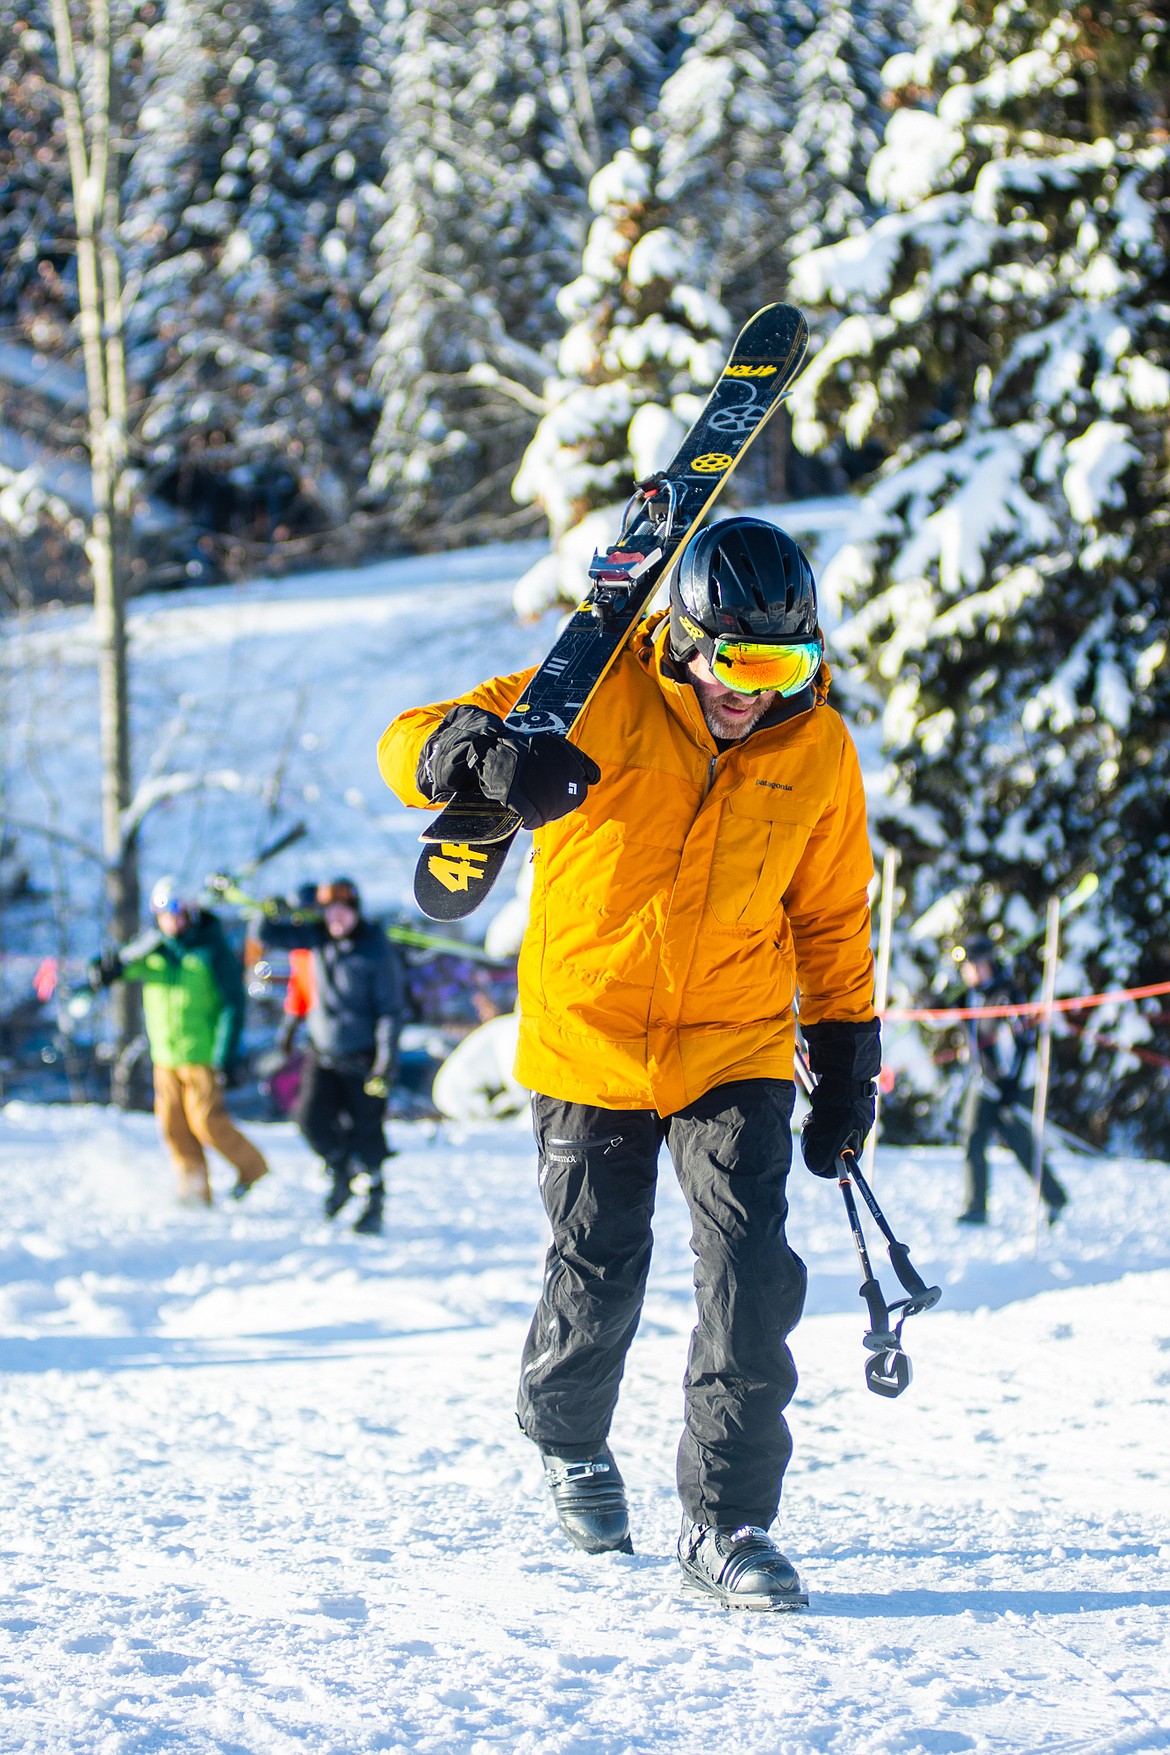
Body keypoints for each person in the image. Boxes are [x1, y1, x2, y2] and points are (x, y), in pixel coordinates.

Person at [378, 516, 880, 1611]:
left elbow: (835, 917)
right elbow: (406, 738)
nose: (756, 691)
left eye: (787, 665)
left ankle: (727, 1520)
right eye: (737, 663)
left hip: (731, 1042)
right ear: (686, 639)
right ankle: (567, 1438)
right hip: (589, 1036)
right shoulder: (598, 690)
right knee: (597, 1264)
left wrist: (845, 1059)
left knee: (753, 1277)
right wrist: (472, 753)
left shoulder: (817, 750)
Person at [89, 877, 269, 1206]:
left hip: (202, 1055)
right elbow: (120, 968)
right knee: (174, 1128)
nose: (171, 921)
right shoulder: (154, 951)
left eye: (177, 913)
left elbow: (233, 1004)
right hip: (165, 1057)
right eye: (163, 914)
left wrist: (226, 1055)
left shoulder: (210, 950)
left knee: (206, 1123)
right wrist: (104, 969)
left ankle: (252, 1166)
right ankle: (195, 1192)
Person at [258, 879, 405, 1235]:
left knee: (367, 1133)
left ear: (354, 911)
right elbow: (269, 934)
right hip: (323, 1055)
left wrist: (384, 1062)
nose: (336, 920)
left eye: (342, 912)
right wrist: (267, 910)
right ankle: (341, 1170)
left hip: (363, 1059)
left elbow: (390, 1011)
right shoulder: (317, 939)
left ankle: (373, 1203)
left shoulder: (376, 952)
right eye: (329, 913)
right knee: (309, 1119)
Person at [955, 936, 1069, 1227]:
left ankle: (1055, 1198)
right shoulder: (968, 996)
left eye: (975, 965)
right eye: (967, 967)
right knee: (973, 1139)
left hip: (1013, 1085)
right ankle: (975, 1208)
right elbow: (940, 1017)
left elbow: (1024, 1043)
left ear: (987, 964)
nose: (971, 972)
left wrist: (1011, 1086)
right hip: (984, 1085)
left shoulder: (1006, 994)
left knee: (1020, 1143)